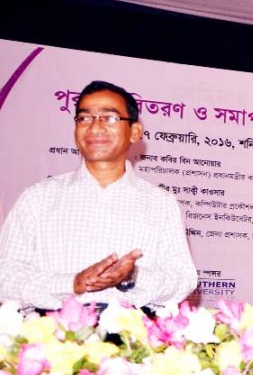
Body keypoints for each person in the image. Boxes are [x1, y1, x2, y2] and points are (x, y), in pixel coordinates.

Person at [0, 80, 198, 311]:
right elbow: (5, 277)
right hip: (52, 339)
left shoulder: (160, 203)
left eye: (109, 118)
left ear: (134, 132)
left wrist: (132, 276)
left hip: (133, 340)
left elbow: (183, 280)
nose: (95, 127)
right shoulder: (38, 199)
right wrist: (72, 284)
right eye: (84, 118)